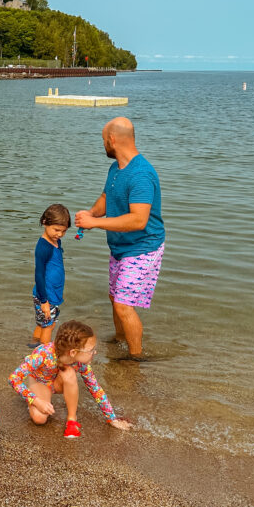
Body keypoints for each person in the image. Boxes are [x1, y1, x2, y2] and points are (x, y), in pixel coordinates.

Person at [75, 117, 165, 359]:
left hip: (143, 247)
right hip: (120, 247)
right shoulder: (116, 168)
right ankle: (119, 341)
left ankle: (135, 359)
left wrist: (95, 223)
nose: (103, 144)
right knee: (115, 297)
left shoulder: (141, 174)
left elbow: (138, 220)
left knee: (124, 304)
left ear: (112, 139)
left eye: (104, 140)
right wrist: (92, 213)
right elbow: (107, 196)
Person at [8, 320, 133, 439]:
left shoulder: (81, 364)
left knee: (69, 373)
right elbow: (14, 378)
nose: (94, 353)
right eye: (91, 350)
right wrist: (35, 401)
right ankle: (34, 402)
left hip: (58, 382)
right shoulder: (42, 355)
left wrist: (112, 418)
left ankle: (72, 420)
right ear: (73, 352)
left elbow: (96, 389)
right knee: (39, 419)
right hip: (40, 381)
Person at [31, 204, 70, 346]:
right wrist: (43, 301)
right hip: (46, 295)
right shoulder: (43, 247)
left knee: (44, 324)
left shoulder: (56, 241)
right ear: (44, 222)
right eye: (56, 230)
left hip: (53, 293)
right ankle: (45, 353)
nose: (60, 234)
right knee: (48, 325)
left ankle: (33, 345)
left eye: (64, 231)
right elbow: (39, 274)